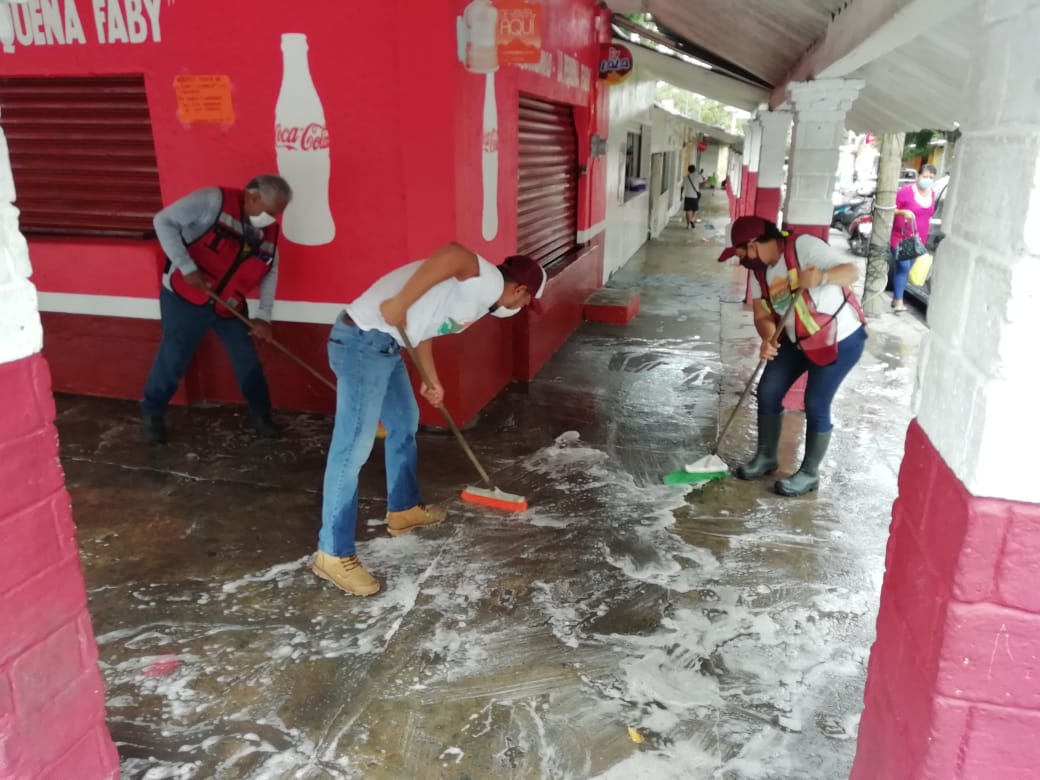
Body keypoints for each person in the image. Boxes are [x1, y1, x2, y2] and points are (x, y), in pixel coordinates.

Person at [313, 246, 546, 596]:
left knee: (405, 420)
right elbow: (454, 253)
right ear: (519, 291)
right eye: (526, 303)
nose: (522, 309)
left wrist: (430, 377)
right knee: (352, 449)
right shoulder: (488, 282)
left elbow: (426, 328)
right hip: (362, 342)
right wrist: (400, 302)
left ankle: (403, 509)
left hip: (385, 345)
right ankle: (332, 553)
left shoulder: (477, 298)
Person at [717, 217, 868, 496]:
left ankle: (809, 474)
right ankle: (766, 458)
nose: (741, 262)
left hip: (839, 338)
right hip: (797, 340)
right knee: (768, 391)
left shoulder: (802, 247)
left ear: (752, 245)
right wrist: (767, 337)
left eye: (740, 254)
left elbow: (851, 272)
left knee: (815, 402)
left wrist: (821, 278)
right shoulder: (760, 273)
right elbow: (762, 314)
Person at [141, 175, 292, 444]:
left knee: (247, 359)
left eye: (278, 214)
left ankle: (261, 416)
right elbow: (162, 221)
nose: (273, 219)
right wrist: (186, 267)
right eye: (271, 212)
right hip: (186, 295)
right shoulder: (211, 200)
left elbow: (271, 272)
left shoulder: (269, 234)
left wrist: (264, 317)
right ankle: (153, 413)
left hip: (229, 305)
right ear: (253, 197)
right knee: (174, 355)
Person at [889, 163, 937, 313]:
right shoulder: (905, 192)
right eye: (925, 176)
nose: (927, 180)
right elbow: (890, 209)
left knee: (906, 269)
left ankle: (896, 296)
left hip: (918, 240)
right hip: (900, 237)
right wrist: (903, 212)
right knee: (903, 267)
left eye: (931, 177)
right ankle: (898, 302)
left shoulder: (932, 194)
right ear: (918, 176)